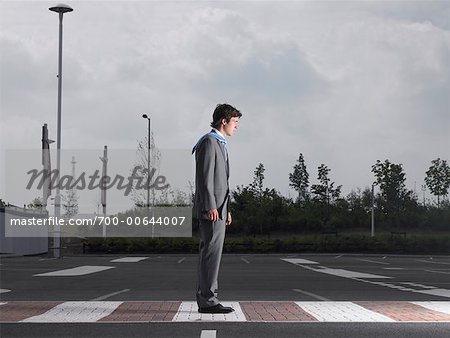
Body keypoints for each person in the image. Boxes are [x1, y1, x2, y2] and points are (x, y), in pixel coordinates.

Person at [192, 103, 242, 314]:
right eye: (235, 122)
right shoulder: (209, 143)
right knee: (210, 254)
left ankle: (209, 298)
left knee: (213, 254)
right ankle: (208, 300)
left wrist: (226, 208)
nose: (236, 127)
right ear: (224, 121)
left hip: (219, 209)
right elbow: (205, 179)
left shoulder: (219, 143)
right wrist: (212, 205)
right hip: (211, 209)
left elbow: (222, 181)